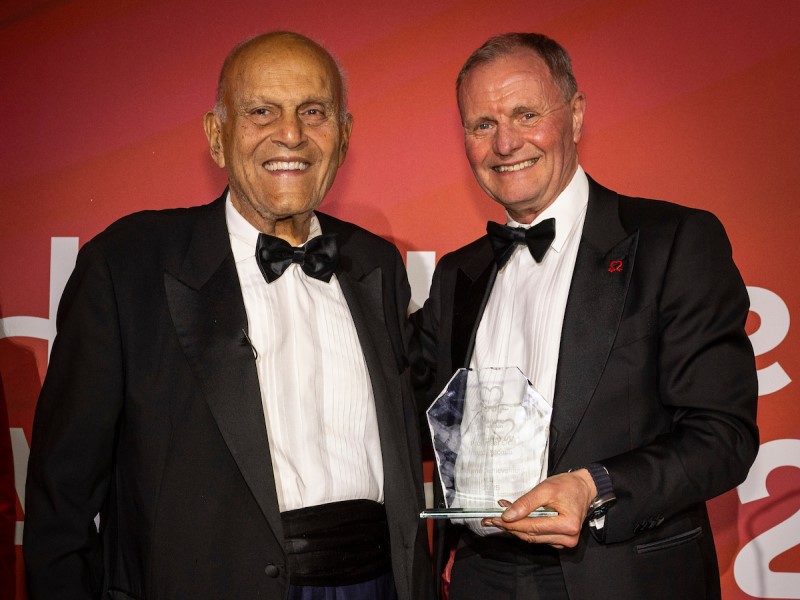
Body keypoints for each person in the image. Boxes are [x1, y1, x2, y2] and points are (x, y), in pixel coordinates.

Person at [23, 31, 432, 600]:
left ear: (343, 135)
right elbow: (60, 498)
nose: (290, 134)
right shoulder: (128, 264)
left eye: (313, 112)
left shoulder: (375, 263)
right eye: (261, 111)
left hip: (378, 585)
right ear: (218, 137)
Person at [413, 32, 758, 600]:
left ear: (574, 116)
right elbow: (411, 409)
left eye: (526, 114)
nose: (505, 143)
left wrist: (592, 486)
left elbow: (723, 436)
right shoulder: (459, 274)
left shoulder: (674, 243)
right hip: (480, 577)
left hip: (623, 575)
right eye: (481, 125)